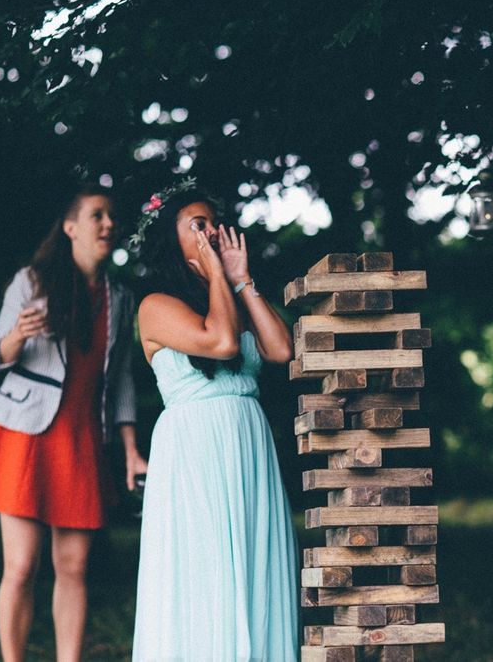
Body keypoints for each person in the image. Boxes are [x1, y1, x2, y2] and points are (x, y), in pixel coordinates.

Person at [0, 184, 148, 662]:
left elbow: (122, 378)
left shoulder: (121, 298)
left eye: (113, 217)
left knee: (74, 568)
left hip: (82, 440)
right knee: (21, 566)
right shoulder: (32, 280)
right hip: (24, 433)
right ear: (70, 227)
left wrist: (130, 448)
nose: (109, 224)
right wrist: (16, 336)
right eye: (97, 216)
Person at [130, 182, 298, 661]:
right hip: (195, 446)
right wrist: (218, 281)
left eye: (212, 222)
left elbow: (281, 351)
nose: (210, 231)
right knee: (205, 566)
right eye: (196, 225)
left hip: (247, 437)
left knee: (252, 560)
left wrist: (242, 280)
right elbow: (222, 343)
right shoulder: (155, 306)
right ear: (172, 241)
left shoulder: (231, 297)